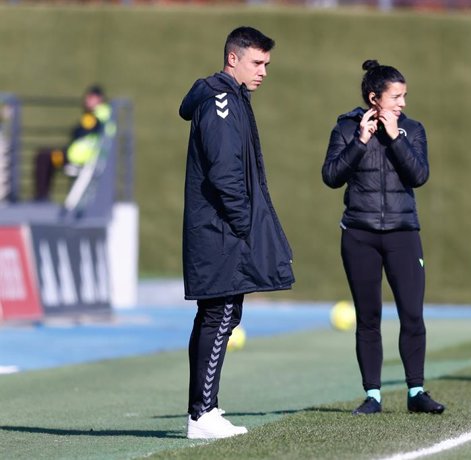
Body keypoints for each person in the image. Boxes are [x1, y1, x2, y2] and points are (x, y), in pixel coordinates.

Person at [178, 26, 295, 439]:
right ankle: (202, 414)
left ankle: (203, 407)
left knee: (217, 314)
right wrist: (245, 226)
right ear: (233, 58)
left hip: (220, 228)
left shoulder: (231, 98)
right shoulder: (222, 100)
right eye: (257, 62)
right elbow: (225, 171)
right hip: (221, 230)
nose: (263, 71)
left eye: (267, 64)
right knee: (221, 313)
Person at [322, 60, 445, 415]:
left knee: (412, 314)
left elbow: (419, 174)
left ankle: (416, 391)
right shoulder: (346, 128)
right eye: (396, 96)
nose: (403, 103)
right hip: (359, 235)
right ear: (374, 98)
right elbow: (331, 175)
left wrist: (394, 137)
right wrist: (360, 142)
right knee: (368, 316)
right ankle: (372, 395)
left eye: (404, 96)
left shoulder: (413, 130)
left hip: (403, 234)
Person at [33, 85, 112, 201]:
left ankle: (41, 197)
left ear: (99, 99)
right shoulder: (105, 115)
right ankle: (42, 196)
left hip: (78, 159)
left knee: (44, 157)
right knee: (47, 156)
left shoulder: (97, 116)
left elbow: (81, 131)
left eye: (91, 98)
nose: (87, 100)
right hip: (81, 157)